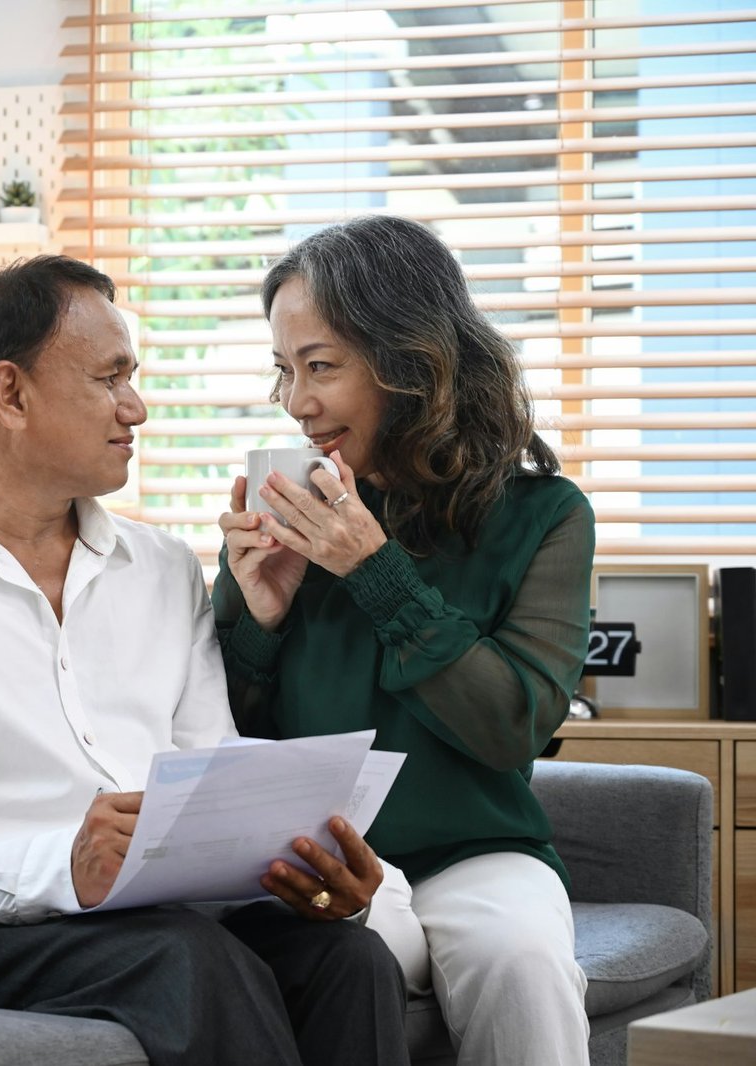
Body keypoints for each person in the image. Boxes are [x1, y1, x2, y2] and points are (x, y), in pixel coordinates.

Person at [0, 255, 409, 1066]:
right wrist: (63, 867)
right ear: (11, 394)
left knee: (349, 959)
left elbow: (205, 762)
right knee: (187, 960)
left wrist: (306, 862)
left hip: (156, 921)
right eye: (111, 379)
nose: (137, 408)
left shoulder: (164, 566)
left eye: (133, 378)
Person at [214, 215, 593, 1066]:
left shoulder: (545, 518)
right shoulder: (282, 514)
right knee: (359, 957)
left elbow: (512, 725)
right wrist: (260, 622)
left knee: (526, 966)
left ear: (409, 361)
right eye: (285, 370)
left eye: (321, 367)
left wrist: (376, 572)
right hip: (319, 862)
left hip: (478, 855)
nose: (296, 403)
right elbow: (215, 738)